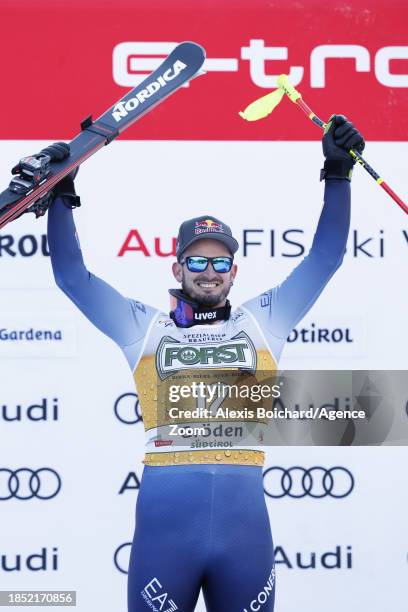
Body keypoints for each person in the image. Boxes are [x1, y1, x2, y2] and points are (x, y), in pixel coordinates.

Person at [44, 115, 364, 612]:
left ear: (234, 271)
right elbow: (71, 276)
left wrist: (338, 172)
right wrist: (62, 195)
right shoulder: (144, 328)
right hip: (165, 531)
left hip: (244, 532)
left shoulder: (264, 321)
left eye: (219, 263)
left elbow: (325, 257)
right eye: (197, 261)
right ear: (177, 268)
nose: (209, 272)